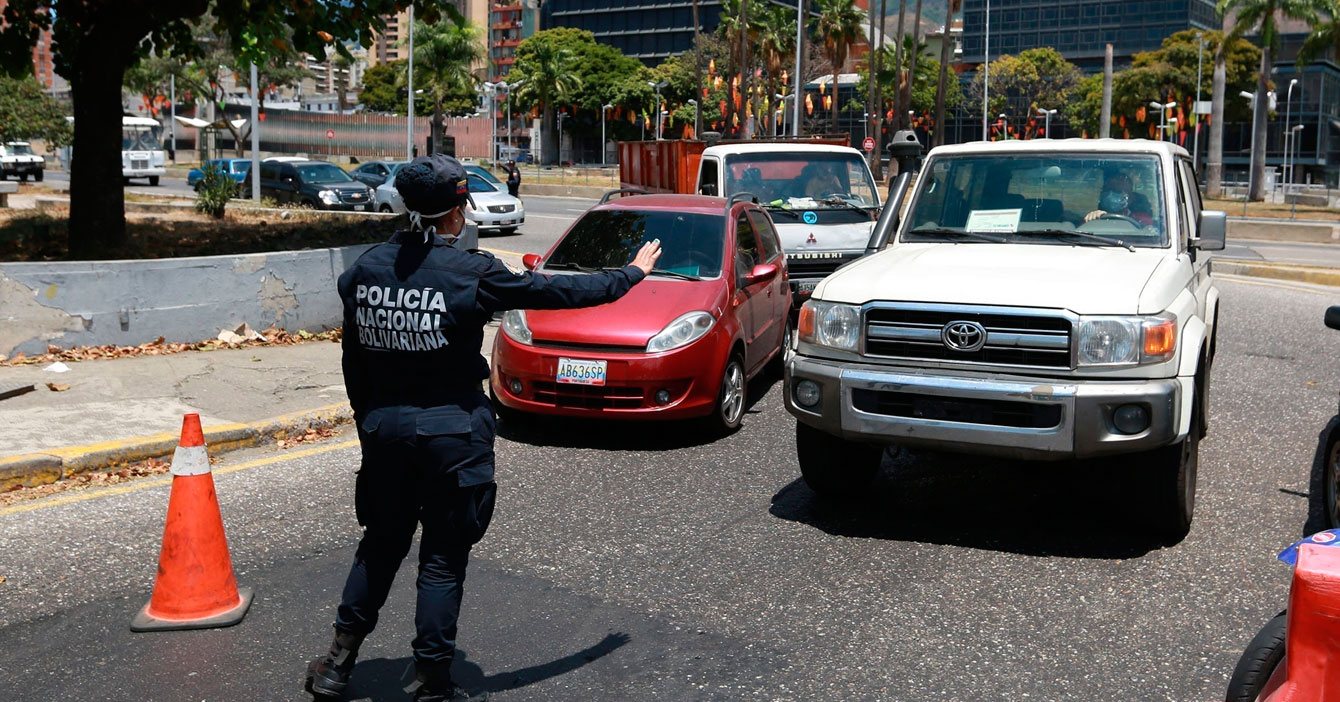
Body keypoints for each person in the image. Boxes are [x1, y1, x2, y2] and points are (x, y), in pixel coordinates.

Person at [306, 154, 660, 702]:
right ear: (455, 212)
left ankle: (337, 663)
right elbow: (558, 293)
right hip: (452, 436)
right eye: (464, 205)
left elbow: (353, 364)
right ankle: (431, 680)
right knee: (442, 561)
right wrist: (631, 274)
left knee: (379, 546)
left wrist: (369, 426)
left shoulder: (367, 269)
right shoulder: (471, 273)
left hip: (386, 432)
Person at [1084, 169, 1153, 226]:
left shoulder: (1141, 219)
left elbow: (1148, 237)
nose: (1111, 194)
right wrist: (1092, 220)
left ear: (1130, 198)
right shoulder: (1095, 218)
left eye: (1117, 191)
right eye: (1108, 189)